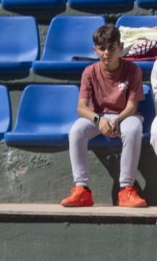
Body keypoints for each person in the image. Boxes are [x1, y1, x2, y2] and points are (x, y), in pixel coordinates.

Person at [62, 24, 147, 208]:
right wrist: (99, 120)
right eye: (102, 48)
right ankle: (82, 189)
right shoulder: (89, 72)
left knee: (133, 129)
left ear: (120, 46)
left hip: (125, 115)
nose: (106, 53)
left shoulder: (133, 70)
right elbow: (81, 108)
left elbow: (132, 106)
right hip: (99, 116)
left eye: (111, 48)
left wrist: (116, 120)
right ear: (95, 50)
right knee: (76, 131)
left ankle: (126, 190)